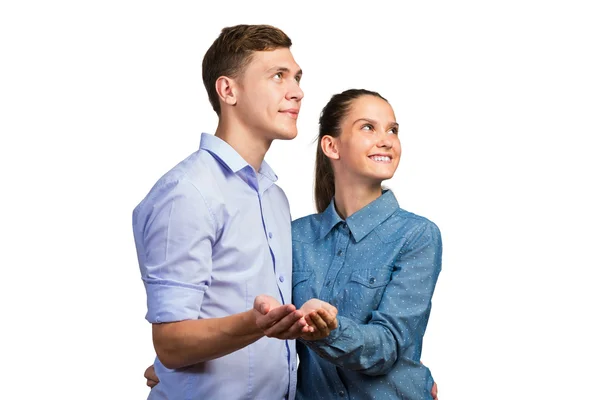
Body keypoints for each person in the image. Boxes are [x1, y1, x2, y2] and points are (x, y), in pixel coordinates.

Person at [143, 89, 442, 399]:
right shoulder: (294, 237)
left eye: (393, 130)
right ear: (331, 146)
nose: (386, 139)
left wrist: (329, 331)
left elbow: (388, 346)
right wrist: (174, 370)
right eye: (369, 127)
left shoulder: (417, 236)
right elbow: (253, 316)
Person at [132, 24, 337, 400]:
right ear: (228, 90)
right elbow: (171, 344)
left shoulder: (275, 197)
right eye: (278, 76)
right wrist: (255, 324)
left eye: (297, 77)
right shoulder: (188, 192)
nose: (297, 91)